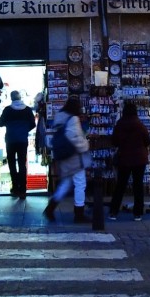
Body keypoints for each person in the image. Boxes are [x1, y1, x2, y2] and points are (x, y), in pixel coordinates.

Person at [44, 95, 91, 224]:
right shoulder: (73, 118)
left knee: (66, 183)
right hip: (73, 156)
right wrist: (85, 145)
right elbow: (73, 137)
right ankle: (79, 213)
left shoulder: (60, 116)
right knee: (80, 183)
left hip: (63, 155)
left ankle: (50, 208)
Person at [108, 100, 150, 221]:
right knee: (138, 186)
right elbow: (147, 141)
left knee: (120, 186)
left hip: (124, 158)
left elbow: (114, 142)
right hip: (139, 159)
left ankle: (113, 211)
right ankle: (138, 213)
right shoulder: (140, 125)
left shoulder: (120, 125)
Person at [0, 89, 36, 198]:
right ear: (20, 98)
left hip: (10, 140)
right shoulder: (27, 110)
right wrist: (23, 130)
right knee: (22, 164)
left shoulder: (8, 110)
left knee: (12, 163)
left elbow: (0, 123)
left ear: (11, 98)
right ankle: (23, 189)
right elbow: (33, 124)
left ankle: (15, 187)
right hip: (23, 140)